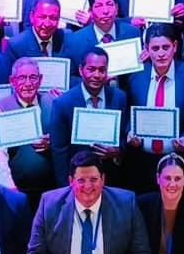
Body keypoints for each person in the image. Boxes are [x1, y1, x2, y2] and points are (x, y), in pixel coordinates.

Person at [50, 48, 131, 185]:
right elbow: (59, 151)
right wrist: (66, 187)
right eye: (91, 69)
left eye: (102, 70)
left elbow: (124, 137)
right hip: (79, 182)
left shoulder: (119, 97)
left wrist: (117, 152)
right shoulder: (63, 103)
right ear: (81, 70)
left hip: (112, 178)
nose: (97, 75)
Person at [0, 59, 57, 200]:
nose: (28, 83)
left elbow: (65, 143)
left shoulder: (52, 102)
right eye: (22, 78)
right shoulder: (2, 108)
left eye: (33, 77)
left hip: (51, 188)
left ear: (40, 80)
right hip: (17, 189)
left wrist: (52, 143)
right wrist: (9, 187)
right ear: (12, 81)